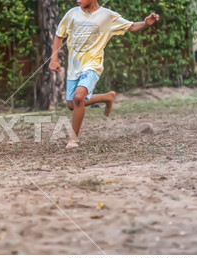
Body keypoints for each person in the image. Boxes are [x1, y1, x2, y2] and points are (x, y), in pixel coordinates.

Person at [49, 0, 159, 149]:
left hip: (92, 66)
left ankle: (73, 140)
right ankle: (107, 97)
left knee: (78, 97)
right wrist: (53, 59)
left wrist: (146, 23)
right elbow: (59, 35)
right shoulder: (72, 14)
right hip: (74, 68)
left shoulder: (108, 16)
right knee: (71, 105)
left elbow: (131, 26)